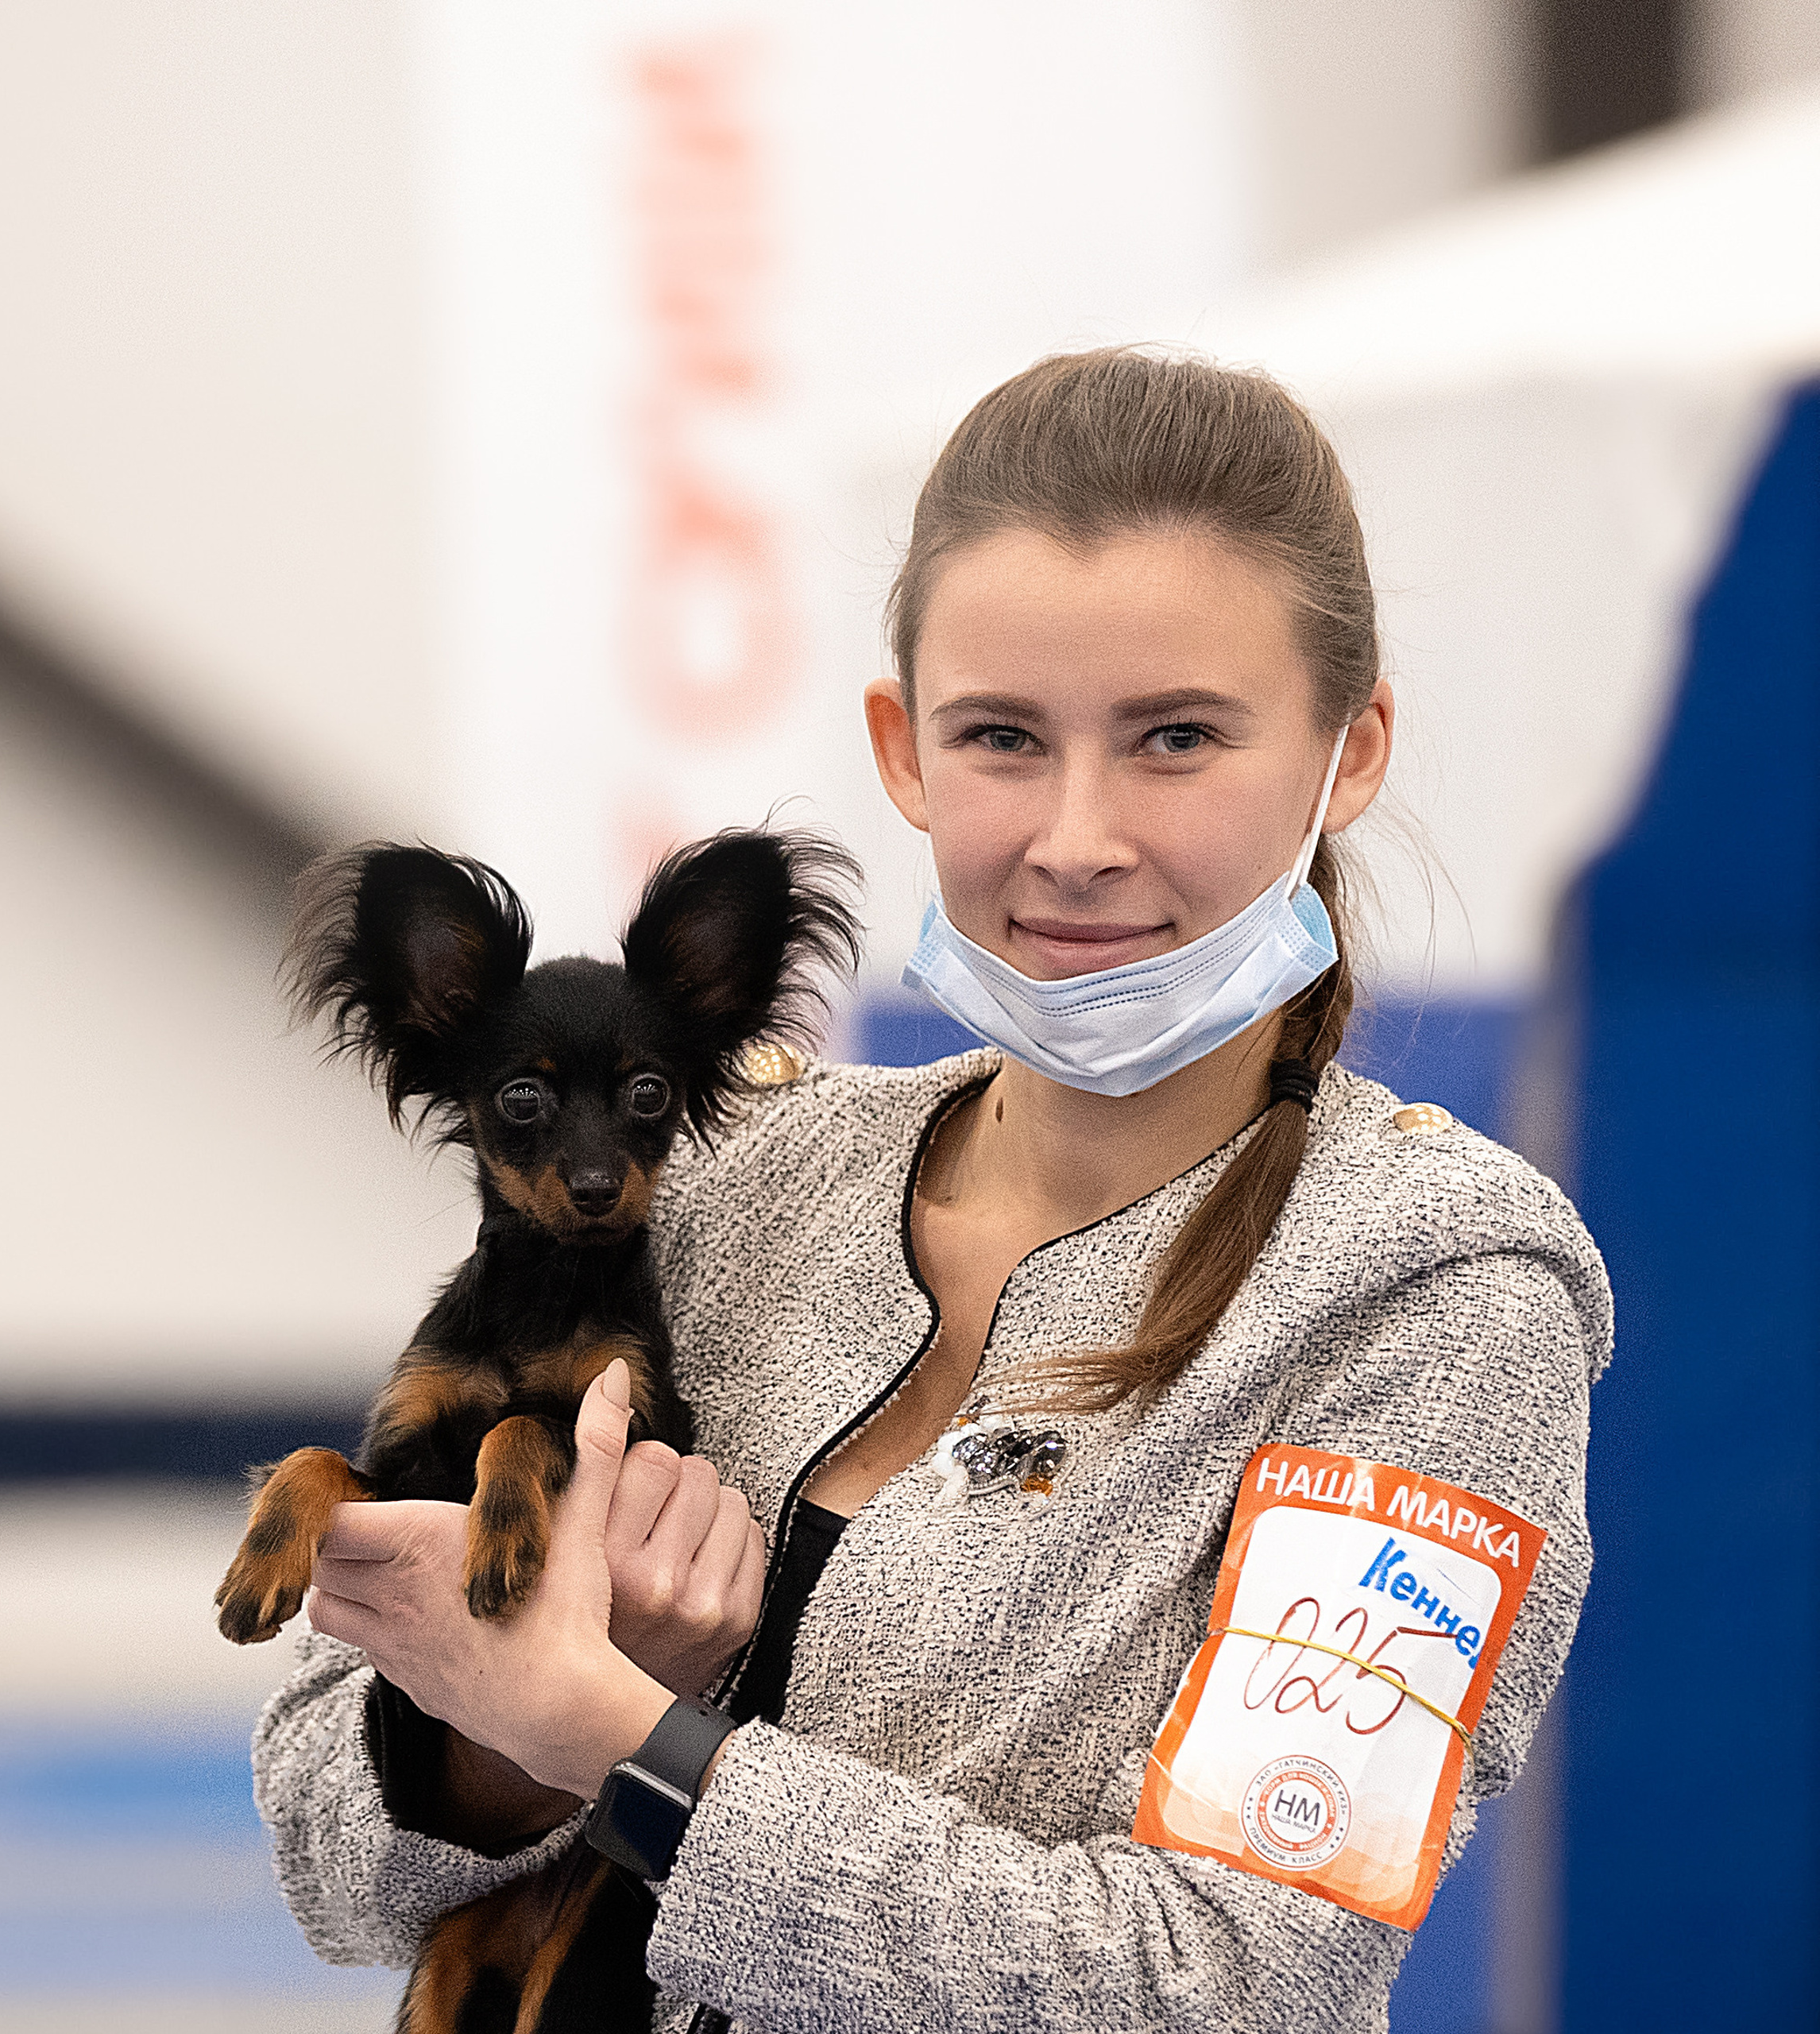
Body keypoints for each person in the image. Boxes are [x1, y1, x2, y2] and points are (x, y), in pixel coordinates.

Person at [253, 348, 1609, 2032]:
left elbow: (1218, 1979)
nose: (1075, 834)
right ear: (899, 747)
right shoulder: (729, 1171)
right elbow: (324, 1824)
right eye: (1001, 737)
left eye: (1175, 736)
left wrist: (622, 1738)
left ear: (1347, 750)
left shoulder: (1431, 1292)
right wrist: (493, 1740)